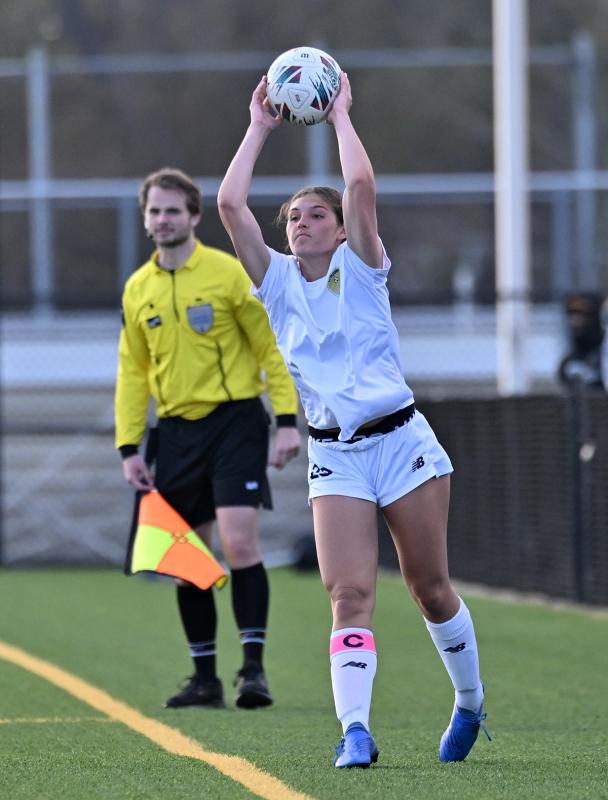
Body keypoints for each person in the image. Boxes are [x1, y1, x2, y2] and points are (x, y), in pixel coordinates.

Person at [217, 73, 489, 767]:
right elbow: (228, 203)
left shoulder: (362, 269)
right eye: (295, 218)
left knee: (430, 587)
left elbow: (362, 186)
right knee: (348, 592)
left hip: (401, 443)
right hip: (334, 453)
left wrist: (340, 115)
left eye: (316, 215)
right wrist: (259, 126)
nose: (302, 223)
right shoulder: (276, 284)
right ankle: (356, 731)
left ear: (339, 231)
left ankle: (469, 702)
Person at [115, 167, 301, 710]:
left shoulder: (226, 274)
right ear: (146, 219)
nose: (164, 219)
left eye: (174, 210)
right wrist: (129, 447)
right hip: (173, 434)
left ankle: (253, 671)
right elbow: (132, 371)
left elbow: (271, 348)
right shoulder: (138, 289)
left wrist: (286, 420)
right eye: (155, 210)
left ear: (195, 216)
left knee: (239, 542)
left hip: (235, 424)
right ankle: (204, 679)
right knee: (187, 557)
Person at [557, 292, 606, 390]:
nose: (575, 321)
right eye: (572, 315)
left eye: (582, 315)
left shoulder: (604, 352)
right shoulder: (570, 360)